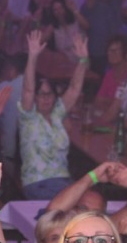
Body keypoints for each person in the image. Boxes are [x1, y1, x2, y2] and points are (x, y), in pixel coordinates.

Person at [18, 29, 90, 200]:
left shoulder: (58, 113)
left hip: (63, 182)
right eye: (41, 94)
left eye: (49, 94)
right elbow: (28, 89)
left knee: (90, 201)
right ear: (35, 97)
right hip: (38, 182)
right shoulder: (29, 117)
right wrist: (32, 56)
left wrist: (83, 60)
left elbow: (74, 88)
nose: (45, 98)